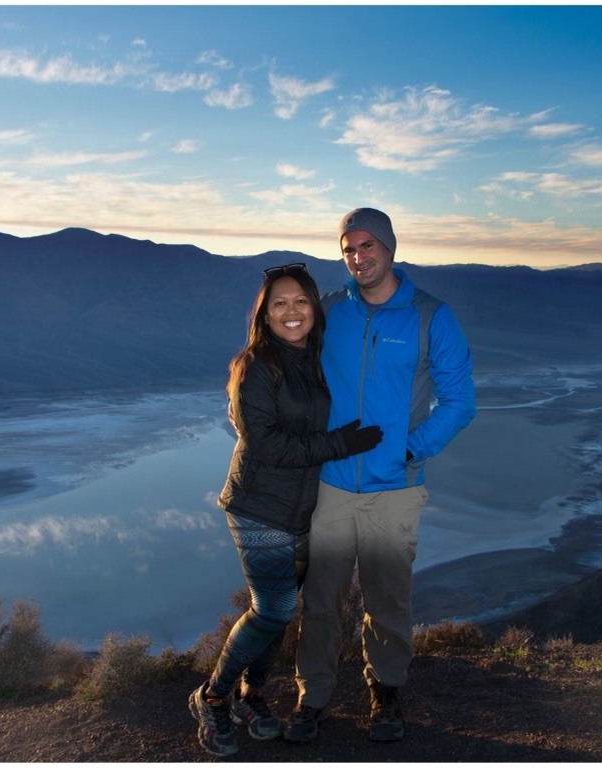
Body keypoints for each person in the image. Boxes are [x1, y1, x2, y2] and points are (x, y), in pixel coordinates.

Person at [286, 208, 476, 744]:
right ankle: (313, 698)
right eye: (348, 248)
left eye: (367, 245)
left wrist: (410, 451)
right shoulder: (330, 312)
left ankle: (386, 693)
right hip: (331, 486)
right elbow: (291, 370)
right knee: (320, 598)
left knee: (387, 598)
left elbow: (460, 402)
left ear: (389, 248)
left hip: (395, 488)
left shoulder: (428, 316)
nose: (357, 256)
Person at [189, 262, 384, 757]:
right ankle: (212, 697)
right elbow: (268, 445)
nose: (291, 311)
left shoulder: (316, 358)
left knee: (280, 611)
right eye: (280, 303)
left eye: (300, 301)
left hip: (303, 508)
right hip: (258, 506)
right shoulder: (256, 366)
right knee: (272, 608)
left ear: (314, 309)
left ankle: (252, 696)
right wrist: (341, 444)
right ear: (265, 313)